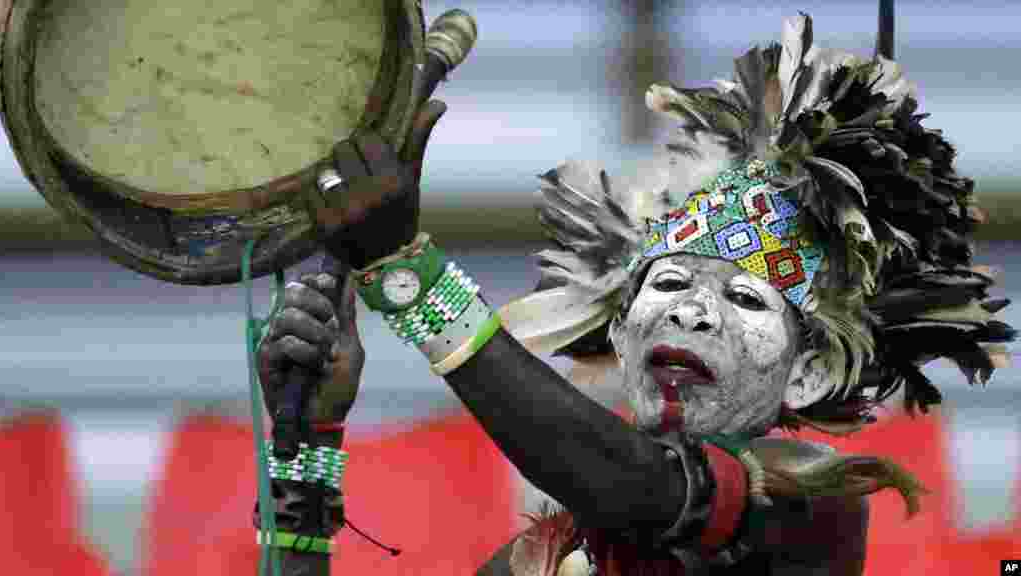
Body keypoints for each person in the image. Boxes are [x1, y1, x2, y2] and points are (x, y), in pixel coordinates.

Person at [255, 13, 1014, 575]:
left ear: (809, 369)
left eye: (747, 301)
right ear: (623, 335)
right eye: (673, 283)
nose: (690, 310)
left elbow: (634, 487)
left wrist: (403, 271)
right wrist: (304, 439)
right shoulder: (541, 560)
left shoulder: (810, 504)